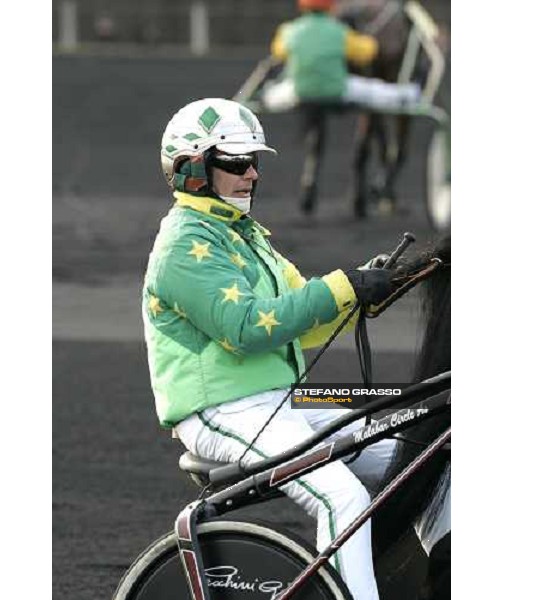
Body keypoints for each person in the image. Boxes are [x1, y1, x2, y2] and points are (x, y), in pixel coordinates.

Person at [143, 97, 399, 600]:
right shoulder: (183, 246)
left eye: (254, 162)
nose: (252, 174)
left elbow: (300, 323)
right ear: (193, 170)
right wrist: (342, 289)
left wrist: (369, 289)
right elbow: (246, 328)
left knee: (414, 447)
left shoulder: (245, 236)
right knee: (339, 497)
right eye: (237, 163)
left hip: (283, 402)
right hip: (222, 411)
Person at [265, 0, 421, 214]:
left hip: (300, 91)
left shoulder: (289, 31)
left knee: (272, 93)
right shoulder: (340, 33)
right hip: (337, 90)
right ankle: (410, 94)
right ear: (330, 8)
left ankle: (309, 178)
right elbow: (368, 51)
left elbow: (279, 50)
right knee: (378, 92)